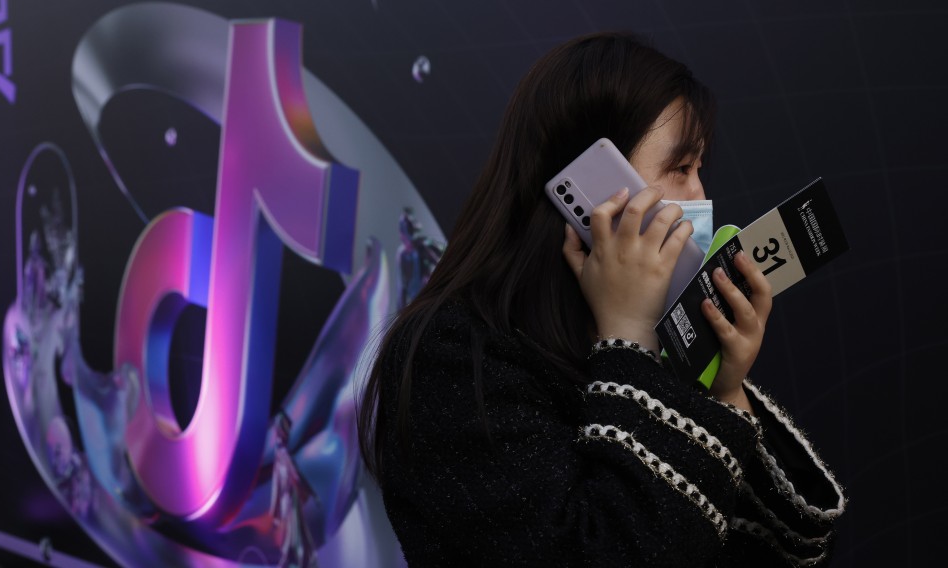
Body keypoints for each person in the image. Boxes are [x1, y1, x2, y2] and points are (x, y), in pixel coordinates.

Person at [357, 33, 845, 566]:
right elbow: (609, 551)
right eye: (681, 169)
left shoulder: (657, 348)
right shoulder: (453, 354)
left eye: (700, 169)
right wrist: (628, 338)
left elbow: (792, 548)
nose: (700, 196)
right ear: (592, 190)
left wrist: (723, 389)